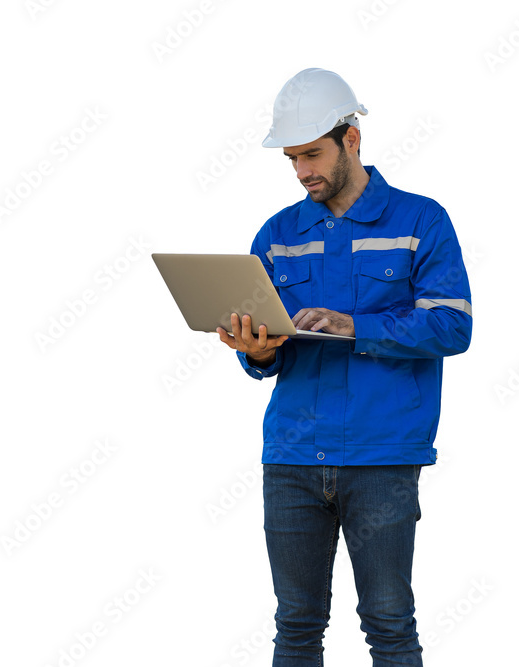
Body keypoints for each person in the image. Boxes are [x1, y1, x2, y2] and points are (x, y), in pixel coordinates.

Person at [215, 67, 472, 667]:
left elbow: (453, 326)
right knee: (296, 626)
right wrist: (256, 351)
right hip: (293, 455)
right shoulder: (277, 236)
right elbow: (270, 355)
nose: (303, 171)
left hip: (382, 455)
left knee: (388, 623)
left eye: (312, 154)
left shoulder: (420, 222)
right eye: (292, 159)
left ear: (350, 141)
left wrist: (360, 326)